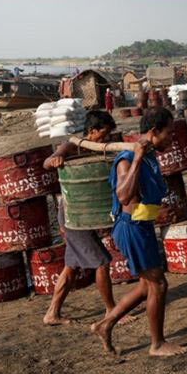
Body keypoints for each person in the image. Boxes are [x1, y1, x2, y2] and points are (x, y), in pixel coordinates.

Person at [91, 107, 187, 357]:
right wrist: (135, 159)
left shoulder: (149, 154)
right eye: (168, 133)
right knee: (158, 284)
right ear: (154, 131)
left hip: (139, 226)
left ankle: (106, 324)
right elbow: (124, 198)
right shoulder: (128, 159)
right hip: (131, 228)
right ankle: (157, 344)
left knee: (147, 285)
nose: (171, 138)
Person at [42, 110, 134, 326]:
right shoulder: (73, 145)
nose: (106, 140)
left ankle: (52, 313)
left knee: (70, 267)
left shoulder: (105, 148)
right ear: (91, 132)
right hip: (75, 215)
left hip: (88, 215)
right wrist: (56, 159)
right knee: (102, 261)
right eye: (103, 135)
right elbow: (48, 162)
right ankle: (111, 311)